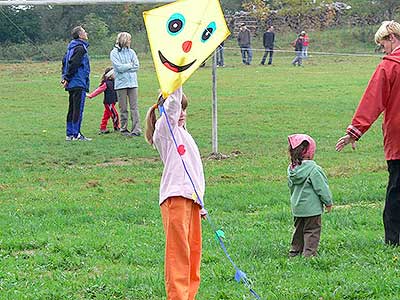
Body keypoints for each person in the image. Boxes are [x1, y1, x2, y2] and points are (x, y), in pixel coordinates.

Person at [336, 20, 400, 246]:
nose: (382, 48)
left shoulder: (389, 66)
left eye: (382, 43)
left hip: (398, 137)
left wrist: (355, 131)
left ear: (391, 38)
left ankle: (394, 240)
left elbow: (373, 101)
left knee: (396, 191)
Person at [145, 86, 207, 300]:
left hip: (191, 200)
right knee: (179, 252)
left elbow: (194, 171)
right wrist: (176, 79)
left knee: (193, 251)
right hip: (175, 198)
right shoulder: (164, 131)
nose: (182, 113)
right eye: (179, 108)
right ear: (165, 111)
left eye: (184, 109)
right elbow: (171, 106)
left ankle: (189, 296)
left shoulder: (185, 135)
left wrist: (201, 203)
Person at [288, 134, 333, 257]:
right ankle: (309, 254)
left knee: (299, 230)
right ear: (309, 152)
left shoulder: (292, 169)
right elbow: (322, 188)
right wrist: (328, 202)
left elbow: (291, 186)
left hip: (297, 208)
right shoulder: (314, 169)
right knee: (312, 231)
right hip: (312, 209)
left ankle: (295, 251)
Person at [61, 26, 91, 141]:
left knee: (72, 108)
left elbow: (64, 63)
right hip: (78, 82)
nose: (86, 32)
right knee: (77, 109)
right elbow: (74, 64)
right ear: (80, 35)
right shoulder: (80, 48)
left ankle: (69, 134)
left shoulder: (70, 48)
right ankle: (76, 134)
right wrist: (67, 78)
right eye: (84, 31)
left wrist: (64, 78)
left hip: (72, 83)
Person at [110, 32, 141, 137]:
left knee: (134, 107)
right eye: (128, 39)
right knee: (123, 108)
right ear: (123, 40)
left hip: (133, 83)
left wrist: (126, 67)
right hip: (121, 84)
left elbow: (136, 66)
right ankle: (124, 128)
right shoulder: (114, 53)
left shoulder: (132, 52)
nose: (130, 41)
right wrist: (129, 65)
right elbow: (118, 68)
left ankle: (136, 129)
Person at [87, 67, 120, 134]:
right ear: (110, 75)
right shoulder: (106, 83)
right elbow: (98, 90)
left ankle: (103, 128)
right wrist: (91, 95)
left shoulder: (115, 82)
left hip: (112, 102)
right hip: (108, 103)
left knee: (106, 115)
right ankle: (117, 127)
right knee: (115, 115)